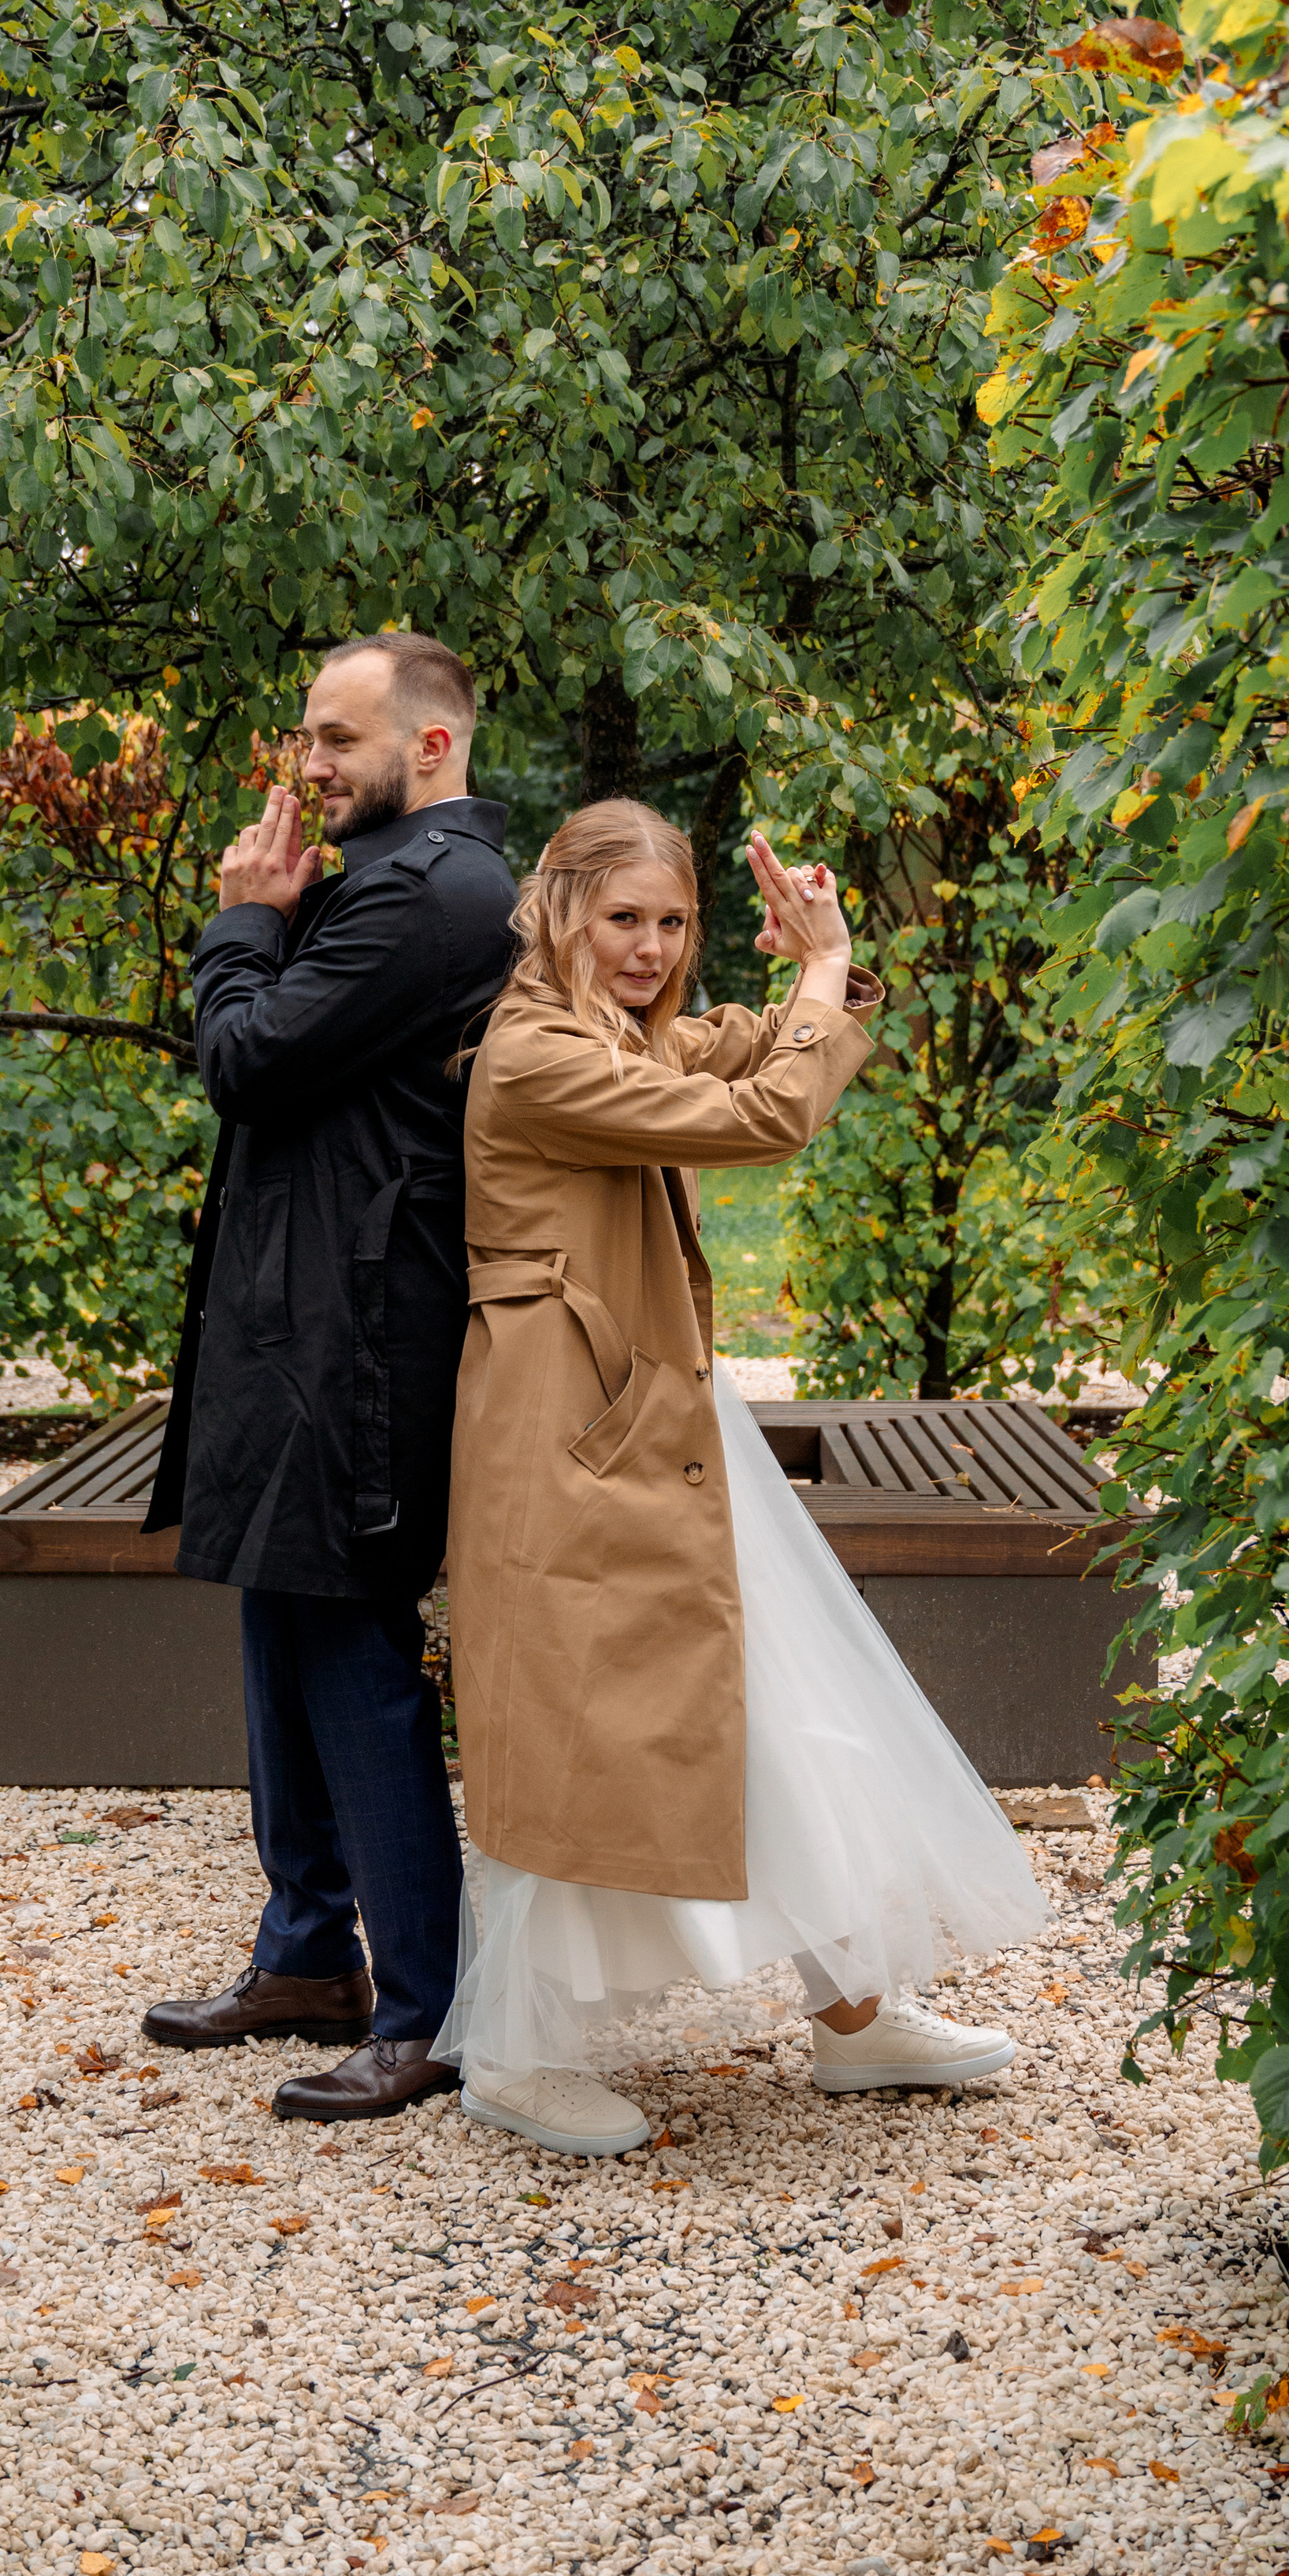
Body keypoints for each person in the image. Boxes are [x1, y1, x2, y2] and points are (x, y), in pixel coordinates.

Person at [437, 800, 1046, 2157]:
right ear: (557, 908)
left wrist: (824, 968)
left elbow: (749, 1045)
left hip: (649, 1419)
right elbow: (768, 1111)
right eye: (623, 918)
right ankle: (517, 2054)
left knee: (766, 1697)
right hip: (570, 1436)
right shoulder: (538, 1053)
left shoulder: (619, 1032)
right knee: (585, 1730)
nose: (651, 948)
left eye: (673, 922)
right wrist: (820, 976)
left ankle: (853, 2011)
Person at [139, 630, 518, 2123]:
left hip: (358, 1337)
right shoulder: (384, 888)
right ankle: (307, 1954)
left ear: (432, 745)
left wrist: (244, 920)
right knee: (279, 1617)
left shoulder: (433, 894)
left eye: (337, 739)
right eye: (307, 735)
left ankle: (427, 2006)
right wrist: (282, 921)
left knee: (351, 1645)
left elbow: (245, 1062)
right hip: (302, 1315)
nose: (309, 765)